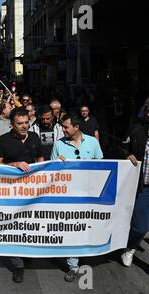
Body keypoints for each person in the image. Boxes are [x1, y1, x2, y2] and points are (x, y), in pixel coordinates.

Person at [0, 108, 44, 283]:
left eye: (26, 122)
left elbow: (40, 161)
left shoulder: (35, 138)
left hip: (33, 192)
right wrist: (15, 164)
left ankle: (26, 251)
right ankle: (18, 266)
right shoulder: (3, 141)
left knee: (29, 224)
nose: (24, 126)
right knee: (15, 227)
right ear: (11, 124)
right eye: (19, 123)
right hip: (12, 191)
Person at [50, 113, 103, 282]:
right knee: (73, 229)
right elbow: (50, 171)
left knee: (85, 228)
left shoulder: (93, 142)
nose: (63, 130)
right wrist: (58, 163)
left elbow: (101, 165)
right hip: (68, 196)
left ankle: (83, 254)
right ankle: (73, 265)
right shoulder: (58, 144)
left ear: (77, 127)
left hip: (89, 195)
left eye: (66, 127)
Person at [120, 96, 149, 286]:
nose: (148, 115)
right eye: (147, 111)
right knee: (140, 227)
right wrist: (127, 154)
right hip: (143, 189)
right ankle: (130, 247)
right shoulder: (138, 130)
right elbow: (122, 147)